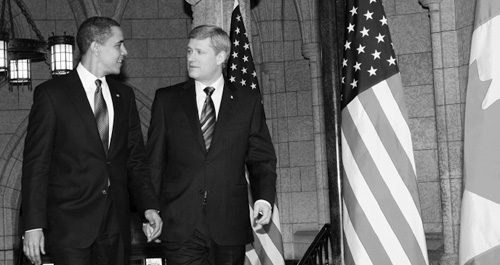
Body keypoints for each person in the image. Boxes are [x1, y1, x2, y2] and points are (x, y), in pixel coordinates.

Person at [21, 16, 162, 265]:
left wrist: (149, 206)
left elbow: (135, 160)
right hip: (70, 227)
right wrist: (33, 225)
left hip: (116, 226)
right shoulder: (52, 95)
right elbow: (36, 165)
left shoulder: (124, 96)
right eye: (119, 45)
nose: (125, 52)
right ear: (96, 47)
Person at [146, 24, 277, 265]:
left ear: (221, 57)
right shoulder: (167, 100)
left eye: (199, 52)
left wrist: (263, 198)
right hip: (180, 222)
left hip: (228, 222)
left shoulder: (247, 102)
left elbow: (261, 158)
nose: (191, 58)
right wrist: (150, 208)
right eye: (188, 51)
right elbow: (154, 160)